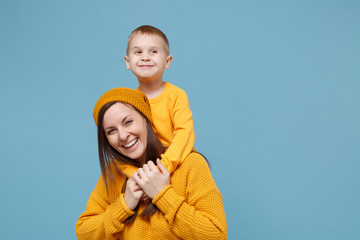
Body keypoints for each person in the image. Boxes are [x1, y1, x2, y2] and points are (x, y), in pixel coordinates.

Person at [75, 88, 227, 239]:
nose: (122, 136)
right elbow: (83, 233)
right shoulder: (112, 173)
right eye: (111, 131)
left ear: (146, 119)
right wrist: (124, 205)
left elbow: (216, 235)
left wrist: (163, 195)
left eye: (128, 122)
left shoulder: (190, 164)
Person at [122, 25, 195, 177]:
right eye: (138, 52)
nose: (145, 57)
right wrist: (137, 175)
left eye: (153, 51)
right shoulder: (128, 102)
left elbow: (184, 133)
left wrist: (164, 167)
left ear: (167, 61)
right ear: (127, 62)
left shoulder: (176, 95)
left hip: (175, 164)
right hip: (146, 169)